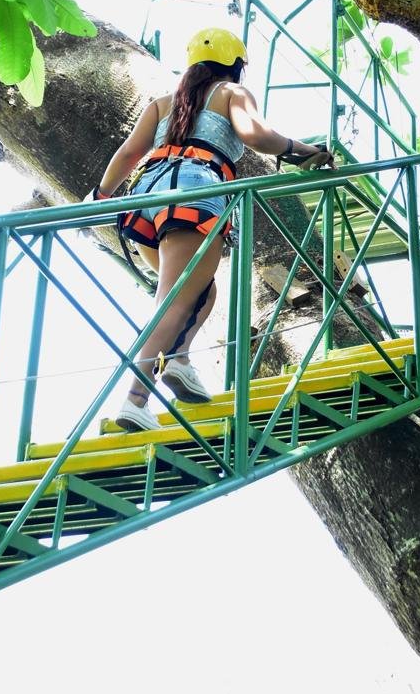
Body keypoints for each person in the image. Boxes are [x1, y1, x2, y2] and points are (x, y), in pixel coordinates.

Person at [91, 27, 334, 431]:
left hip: (146, 202)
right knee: (173, 301)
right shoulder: (231, 93)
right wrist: (302, 150)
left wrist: (99, 197)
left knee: (201, 293)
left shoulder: (163, 103)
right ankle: (135, 397)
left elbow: (131, 152)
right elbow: (255, 134)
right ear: (235, 65)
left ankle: (180, 361)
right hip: (193, 196)